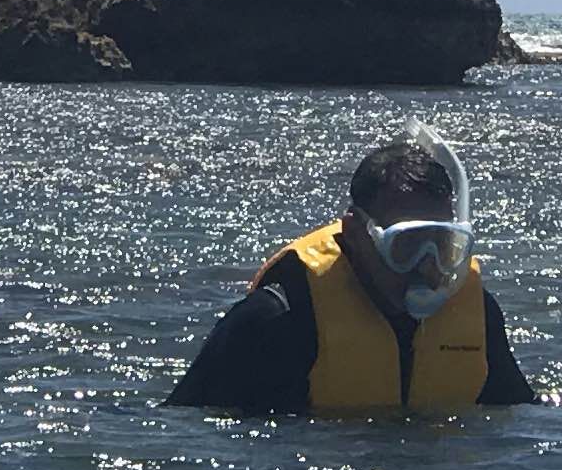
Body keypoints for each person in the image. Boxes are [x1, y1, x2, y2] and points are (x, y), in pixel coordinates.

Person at [167, 126, 536, 415]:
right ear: (357, 235)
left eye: (441, 245)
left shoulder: (476, 314)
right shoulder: (277, 319)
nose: (426, 266)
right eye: (405, 245)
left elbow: (518, 419)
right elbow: (186, 431)